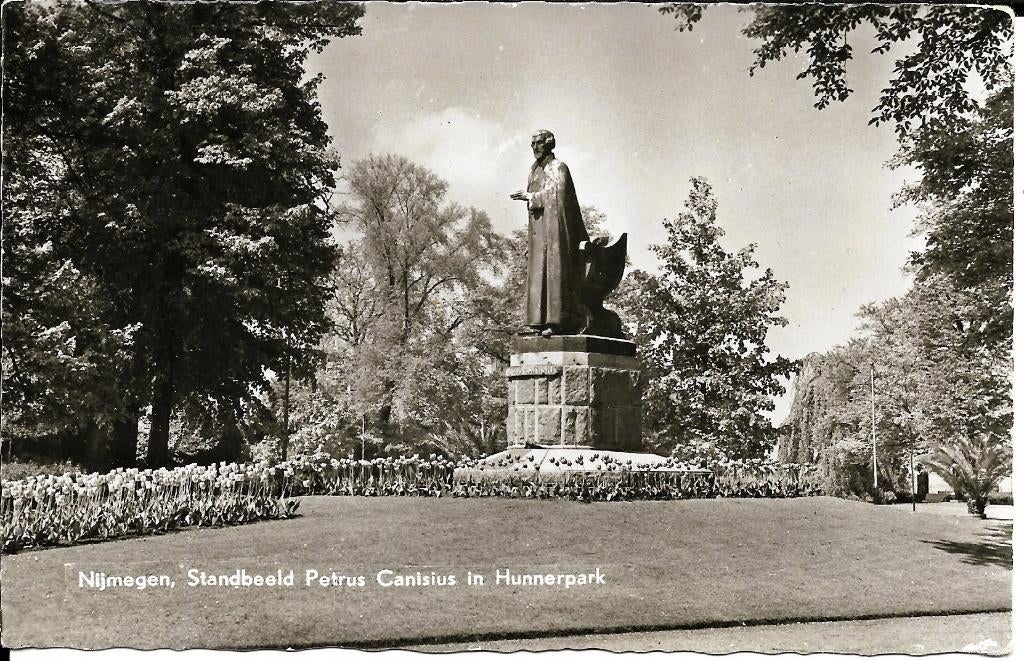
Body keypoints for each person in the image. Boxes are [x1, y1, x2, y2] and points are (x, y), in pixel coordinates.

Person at [510, 130, 589, 335]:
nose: (535, 147)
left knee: (554, 273)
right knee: (538, 274)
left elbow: (558, 196)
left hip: (555, 233)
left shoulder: (558, 167)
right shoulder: (533, 170)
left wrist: (530, 196)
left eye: (539, 143)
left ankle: (557, 323)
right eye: (532, 144)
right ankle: (537, 323)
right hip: (539, 233)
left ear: (549, 144)